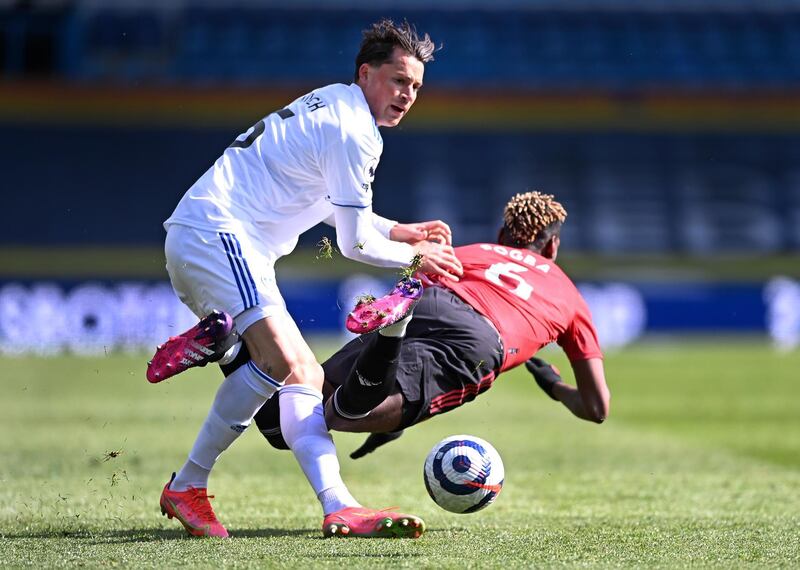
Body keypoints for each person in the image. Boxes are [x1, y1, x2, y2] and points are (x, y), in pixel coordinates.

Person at [150, 18, 463, 539]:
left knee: (304, 378)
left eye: (416, 87)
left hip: (214, 240)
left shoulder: (334, 103)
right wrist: (416, 261)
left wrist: (399, 231)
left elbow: (321, 199)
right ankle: (225, 354)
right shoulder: (354, 131)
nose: (408, 95)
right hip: (218, 235)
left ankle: (327, 502)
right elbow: (353, 244)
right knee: (282, 362)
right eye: (399, 80)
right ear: (366, 73)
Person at [251, 190, 610, 458]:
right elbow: (597, 408)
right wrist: (555, 386)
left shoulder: (475, 252)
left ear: (503, 236)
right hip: (480, 340)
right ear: (553, 247)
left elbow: (430, 275)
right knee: (341, 415)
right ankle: (370, 388)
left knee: (294, 410)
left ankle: (232, 348)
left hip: (430, 301)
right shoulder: (571, 298)